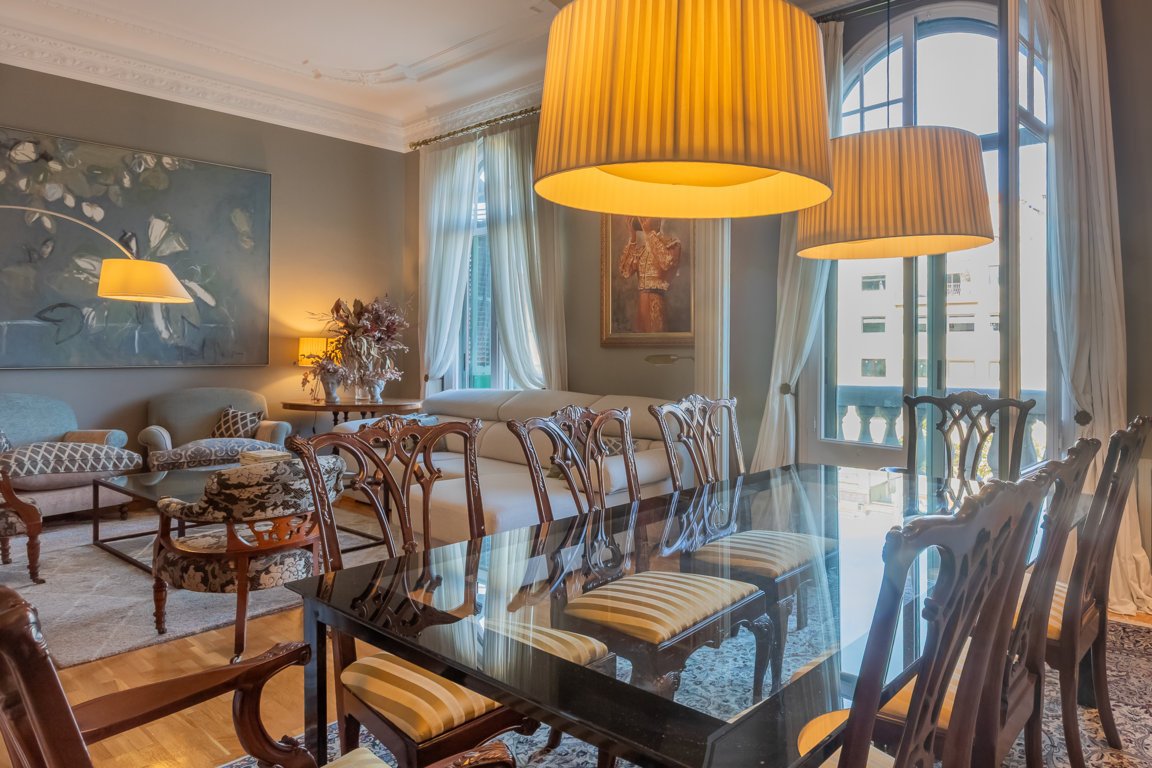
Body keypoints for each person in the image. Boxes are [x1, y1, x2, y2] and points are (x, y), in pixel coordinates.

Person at [618, 217, 682, 333]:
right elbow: (625, 271)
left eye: (645, 218)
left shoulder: (672, 244)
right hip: (641, 305)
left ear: (658, 221)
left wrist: (649, 234)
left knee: (656, 337)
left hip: (657, 302)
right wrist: (632, 238)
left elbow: (666, 262)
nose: (642, 221)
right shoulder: (642, 250)